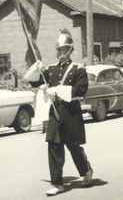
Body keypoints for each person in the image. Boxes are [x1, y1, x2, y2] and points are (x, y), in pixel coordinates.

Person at [24, 29, 93, 196]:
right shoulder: (51, 69)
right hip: (55, 112)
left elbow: (80, 90)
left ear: (70, 50)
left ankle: (86, 171)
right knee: (54, 145)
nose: (60, 53)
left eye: (63, 49)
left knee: (73, 145)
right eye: (58, 50)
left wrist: (57, 90)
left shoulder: (78, 69)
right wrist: (36, 69)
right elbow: (32, 81)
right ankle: (57, 183)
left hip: (70, 111)